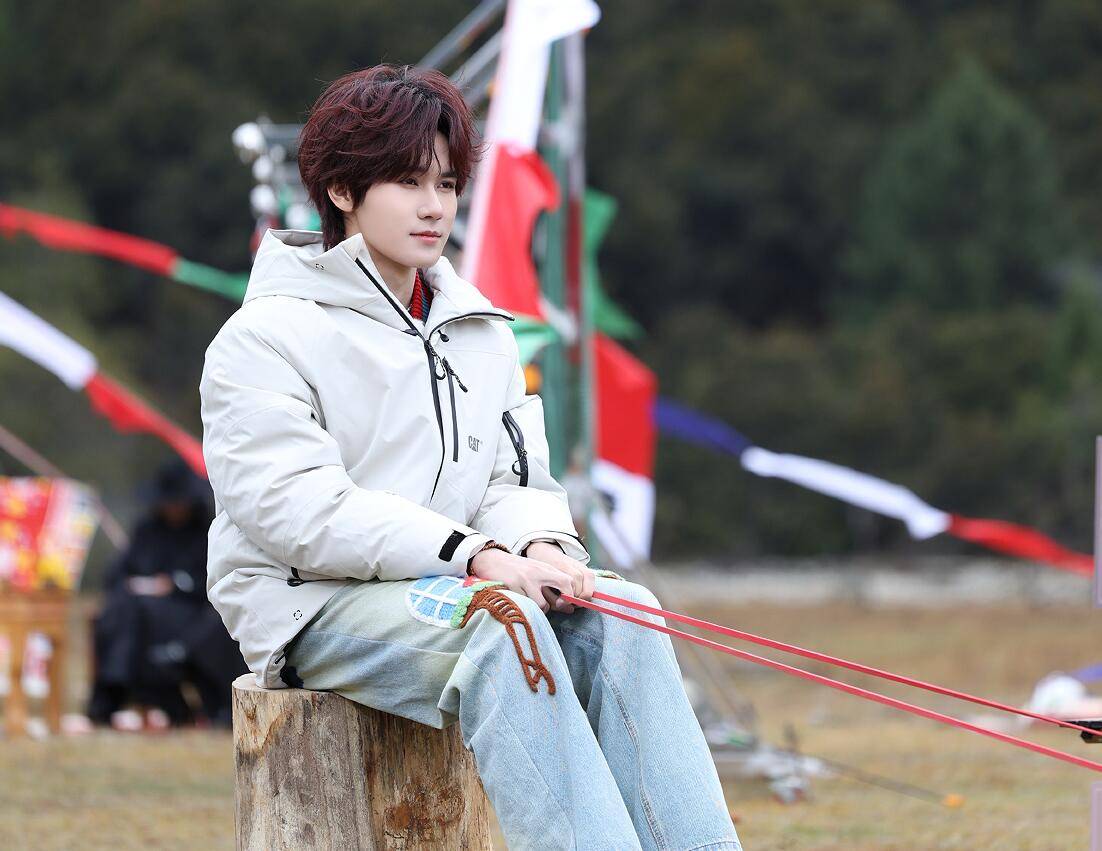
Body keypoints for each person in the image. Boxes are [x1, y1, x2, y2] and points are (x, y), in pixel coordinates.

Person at [200, 64, 741, 849]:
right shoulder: (265, 335)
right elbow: (299, 514)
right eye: (407, 181)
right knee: (504, 627)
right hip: (310, 603)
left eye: (447, 183)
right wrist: (478, 556)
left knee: (623, 615)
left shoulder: (479, 328)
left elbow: (513, 478)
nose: (434, 206)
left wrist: (543, 546)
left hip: (453, 581)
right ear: (342, 190)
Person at [87, 459, 247, 728]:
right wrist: (137, 584)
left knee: (137, 617)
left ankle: (116, 689)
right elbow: (118, 574)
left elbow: (213, 579)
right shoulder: (147, 530)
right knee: (124, 610)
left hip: (190, 613)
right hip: (142, 612)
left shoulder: (205, 531)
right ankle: (116, 689)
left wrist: (174, 584)